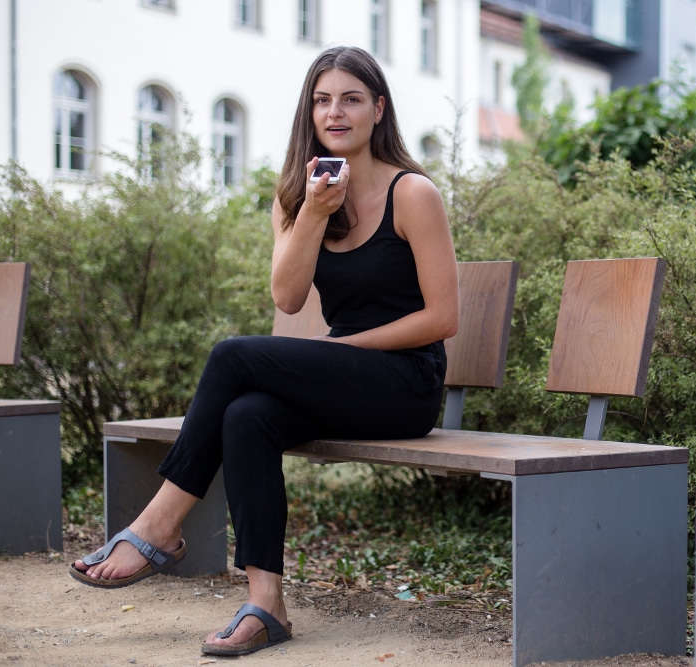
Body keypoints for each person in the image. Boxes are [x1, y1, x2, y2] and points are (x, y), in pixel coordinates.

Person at [69, 45, 459, 657]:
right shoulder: (296, 197)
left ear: (379, 109)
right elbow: (288, 292)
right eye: (322, 100)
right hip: (344, 376)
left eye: (352, 99)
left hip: (404, 385)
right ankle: (266, 602)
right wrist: (311, 215)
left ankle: (160, 524)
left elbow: (444, 317)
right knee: (245, 415)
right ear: (309, 111)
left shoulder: (413, 194)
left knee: (231, 356)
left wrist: (345, 347)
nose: (336, 112)